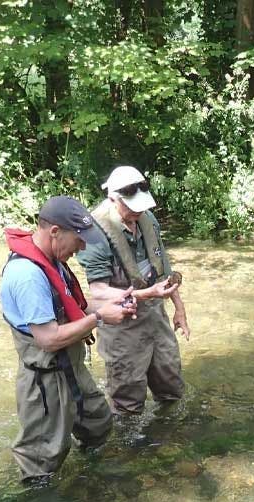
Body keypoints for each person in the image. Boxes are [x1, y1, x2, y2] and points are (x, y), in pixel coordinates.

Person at [0, 195, 178, 482]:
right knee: (41, 457)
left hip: (72, 369)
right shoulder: (28, 276)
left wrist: (118, 302)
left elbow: (76, 307)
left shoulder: (53, 261)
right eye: (79, 239)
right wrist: (99, 318)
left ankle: (91, 482)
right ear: (54, 231)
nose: (83, 247)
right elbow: (48, 338)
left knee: (98, 424)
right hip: (45, 379)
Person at [76, 166, 190, 416]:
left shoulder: (147, 219)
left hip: (156, 317)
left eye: (141, 206)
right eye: (132, 207)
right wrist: (146, 294)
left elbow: (164, 273)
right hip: (122, 325)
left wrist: (179, 309)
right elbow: (98, 292)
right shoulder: (95, 234)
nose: (138, 211)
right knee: (127, 404)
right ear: (113, 198)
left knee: (172, 388)